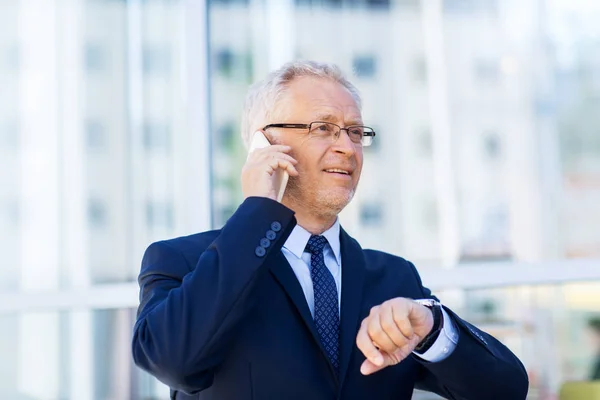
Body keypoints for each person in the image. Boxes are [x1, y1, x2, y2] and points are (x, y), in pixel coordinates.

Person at [131, 61, 529, 400]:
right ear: (263, 143)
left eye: (356, 131)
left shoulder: (394, 279)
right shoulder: (182, 261)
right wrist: (258, 210)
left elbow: (506, 389)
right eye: (323, 128)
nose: (348, 147)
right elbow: (171, 359)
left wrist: (431, 329)